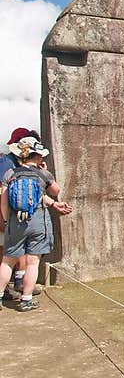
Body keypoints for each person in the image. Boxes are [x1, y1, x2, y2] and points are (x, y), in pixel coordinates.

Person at [0, 136, 72, 311]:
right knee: (33, 262)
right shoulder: (42, 174)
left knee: (7, 261)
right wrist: (46, 173)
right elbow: (56, 190)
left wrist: (5, 219)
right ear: (38, 156)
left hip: (15, 221)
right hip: (38, 222)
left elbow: (3, 198)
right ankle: (26, 299)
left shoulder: (11, 173)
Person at [0, 127, 39, 297]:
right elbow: (2, 190)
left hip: (14, 216)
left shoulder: (14, 163)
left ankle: (19, 283)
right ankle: (6, 289)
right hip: (7, 215)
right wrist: (3, 217)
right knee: (6, 252)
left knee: (16, 251)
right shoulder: (7, 163)